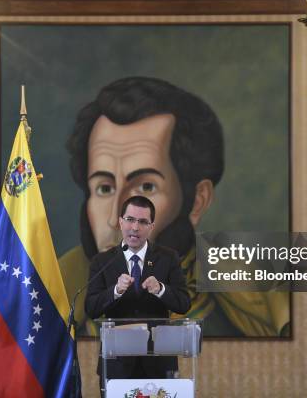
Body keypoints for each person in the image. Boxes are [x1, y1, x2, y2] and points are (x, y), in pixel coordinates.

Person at [61, 76, 290, 337]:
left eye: (146, 187)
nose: (116, 218)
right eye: (104, 188)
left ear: (197, 201)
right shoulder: (55, 302)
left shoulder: (251, 313)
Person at [84, 196, 190, 389]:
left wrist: (160, 289)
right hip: (117, 365)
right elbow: (91, 308)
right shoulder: (102, 262)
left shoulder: (168, 258)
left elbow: (183, 304)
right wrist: (115, 291)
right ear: (120, 221)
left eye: (142, 222)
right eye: (130, 219)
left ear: (151, 226)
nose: (135, 227)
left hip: (158, 364)